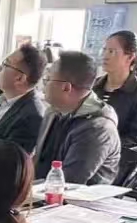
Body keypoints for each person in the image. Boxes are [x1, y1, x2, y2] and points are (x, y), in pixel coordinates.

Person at [34, 50, 121, 184]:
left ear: (66, 88)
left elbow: (68, 182)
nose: (42, 86)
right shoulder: (54, 111)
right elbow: (37, 163)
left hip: (73, 196)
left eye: (47, 79)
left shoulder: (97, 129)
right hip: (41, 190)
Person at [94, 31, 137, 185]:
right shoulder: (94, 86)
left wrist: (105, 146)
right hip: (90, 149)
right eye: (104, 50)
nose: (105, 56)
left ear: (130, 57)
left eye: (112, 51)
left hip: (121, 156)